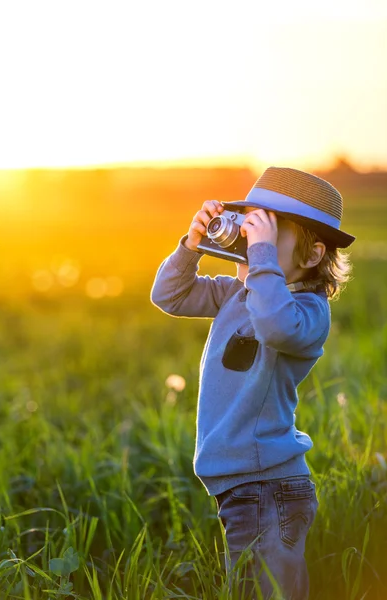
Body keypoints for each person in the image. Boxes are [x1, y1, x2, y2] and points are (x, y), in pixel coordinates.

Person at [150, 166, 355, 599]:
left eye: (265, 237)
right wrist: (193, 246)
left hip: (269, 484)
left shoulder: (307, 312)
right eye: (248, 232)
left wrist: (260, 261)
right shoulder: (236, 294)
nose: (249, 247)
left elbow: (275, 326)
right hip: (241, 483)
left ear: (313, 255)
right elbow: (169, 295)